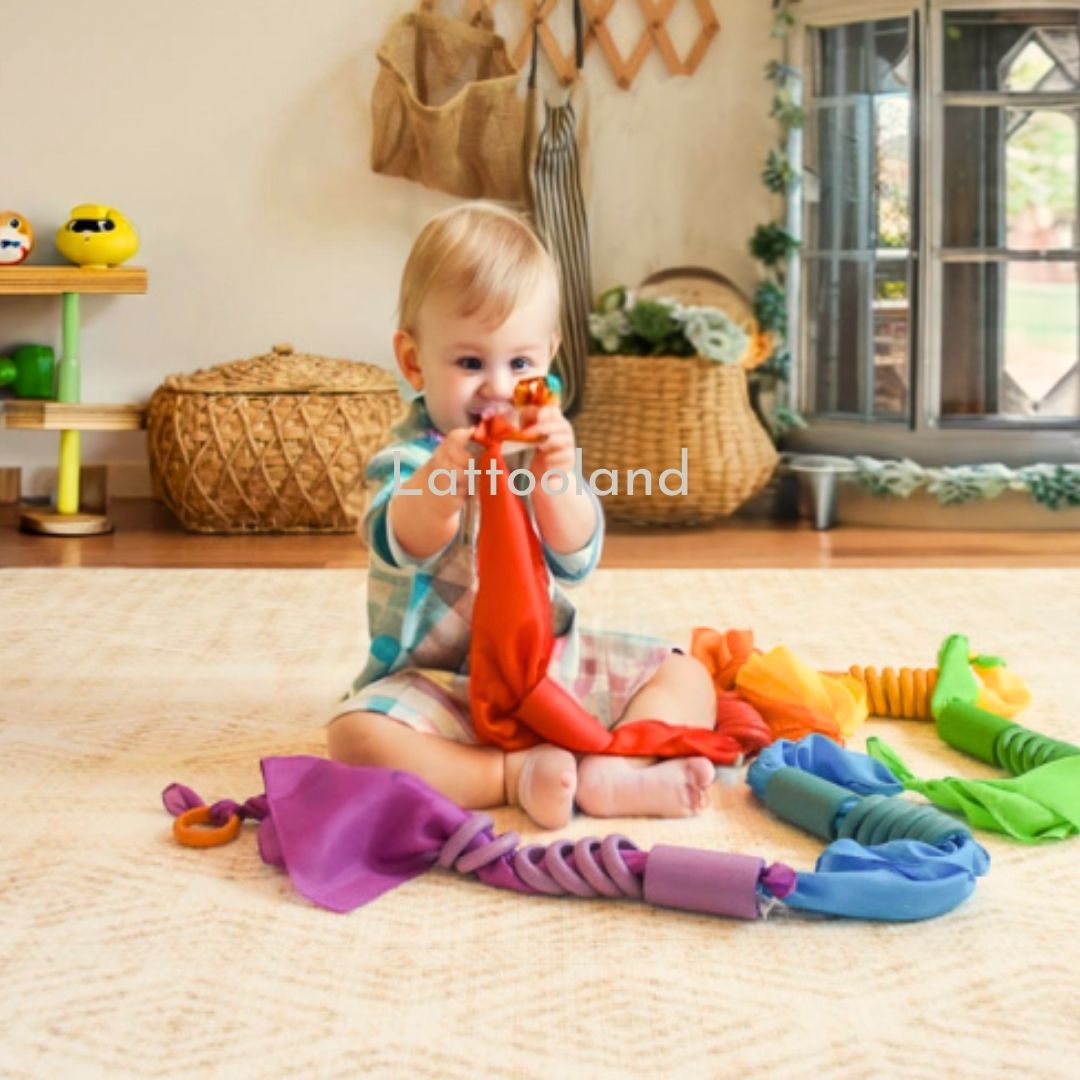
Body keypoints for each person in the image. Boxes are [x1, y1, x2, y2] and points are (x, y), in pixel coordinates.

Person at [327, 202, 718, 829]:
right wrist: (444, 480)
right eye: (470, 362)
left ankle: (619, 770)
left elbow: (576, 554)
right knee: (354, 740)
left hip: (547, 663)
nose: (498, 389)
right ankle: (508, 775)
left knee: (687, 674)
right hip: (440, 681)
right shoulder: (409, 461)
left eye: (520, 363)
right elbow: (406, 538)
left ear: (550, 359)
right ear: (413, 362)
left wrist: (555, 478)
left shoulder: (541, 454)